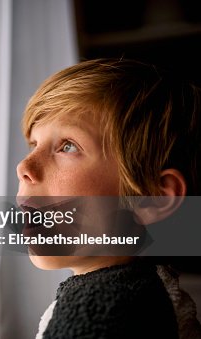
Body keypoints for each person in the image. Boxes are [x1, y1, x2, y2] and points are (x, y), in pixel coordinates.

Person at [16, 58, 201, 338]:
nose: (24, 167)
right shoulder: (138, 290)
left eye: (68, 146)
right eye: (34, 144)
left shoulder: (105, 313)